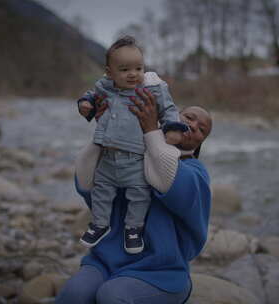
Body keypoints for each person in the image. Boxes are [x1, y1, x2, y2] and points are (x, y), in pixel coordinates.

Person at [55, 88, 213, 304]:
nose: (193, 126)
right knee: (74, 294)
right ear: (173, 116)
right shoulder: (130, 150)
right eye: (189, 118)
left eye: (201, 129)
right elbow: (87, 184)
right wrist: (105, 131)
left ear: (199, 143)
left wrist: (151, 131)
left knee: (111, 295)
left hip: (161, 272)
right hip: (106, 261)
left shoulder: (196, 172)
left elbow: (169, 178)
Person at [77, 35, 187, 254]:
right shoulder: (105, 86)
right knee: (101, 191)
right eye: (125, 69)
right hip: (107, 157)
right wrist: (85, 104)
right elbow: (91, 94)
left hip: (135, 158)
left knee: (139, 194)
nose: (133, 74)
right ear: (110, 72)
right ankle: (100, 223)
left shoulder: (152, 88)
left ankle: (133, 229)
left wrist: (172, 128)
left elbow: (168, 108)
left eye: (138, 68)